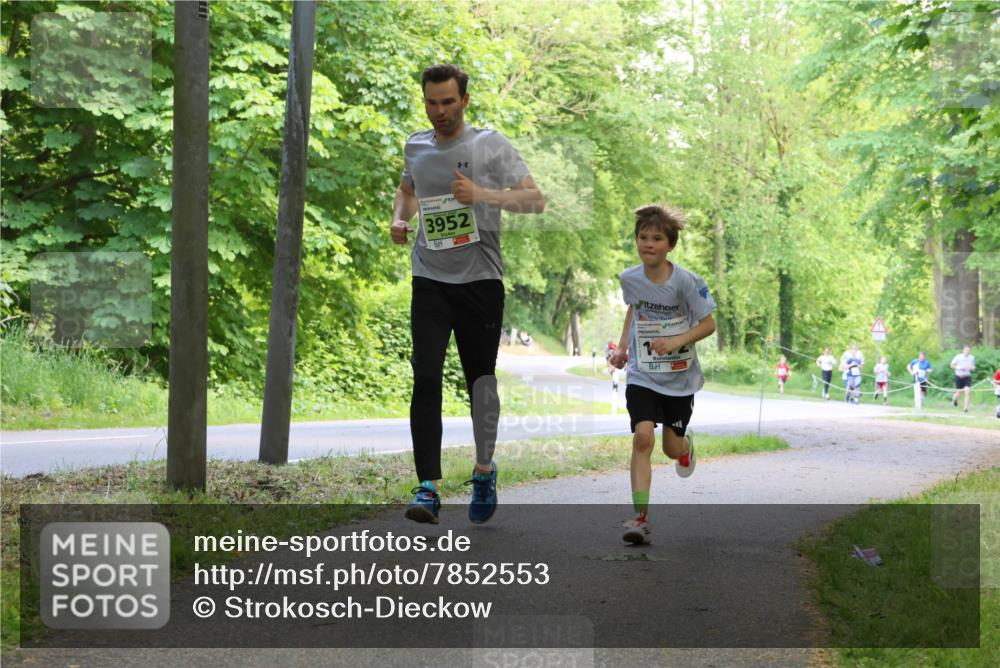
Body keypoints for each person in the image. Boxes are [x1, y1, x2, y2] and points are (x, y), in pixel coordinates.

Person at [390, 64, 545, 524]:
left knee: (480, 382)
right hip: (430, 279)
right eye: (431, 102)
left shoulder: (489, 145)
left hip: (480, 281)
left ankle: (483, 469)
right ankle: (428, 487)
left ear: (465, 101)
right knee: (426, 376)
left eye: (448, 102)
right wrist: (400, 218)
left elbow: (534, 200)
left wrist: (481, 194)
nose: (439, 111)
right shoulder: (416, 145)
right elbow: (407, 191)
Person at [608, 204, 716, 545]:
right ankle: (639, 517)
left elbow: (708, 324)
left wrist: (675, 342)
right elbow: (634, 310)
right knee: (643, 437)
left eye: (657, 238)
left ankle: (686, 447)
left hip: (679, 377)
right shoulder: (629, 278)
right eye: (643, 237)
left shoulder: (687, 282)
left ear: (670, 245)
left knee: (670, 449)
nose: (648, 243)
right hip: (643, 373)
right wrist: (623, 348)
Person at [950, 345, 976, 413]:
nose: (967, 351)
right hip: (959, 376)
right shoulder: (958, 357)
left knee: (967, 391)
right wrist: (959, 367)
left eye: (969, 350)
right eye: (966, 350)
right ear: (963, 350)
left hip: (967, 376)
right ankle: (954, 398)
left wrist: (972, 368)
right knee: (959, 392)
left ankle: (965, 409)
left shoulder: (972, 357)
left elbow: (973, 366)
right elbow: (952, 365)